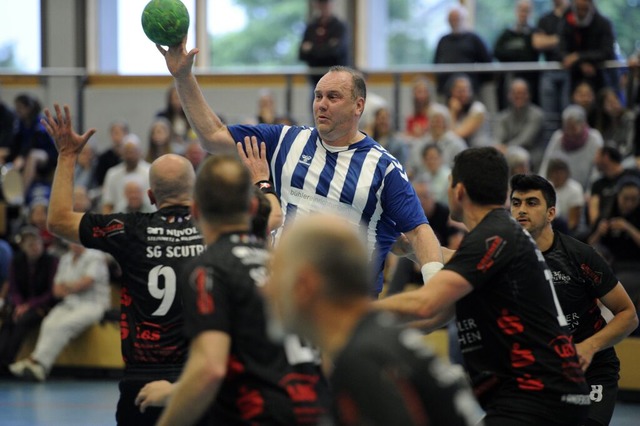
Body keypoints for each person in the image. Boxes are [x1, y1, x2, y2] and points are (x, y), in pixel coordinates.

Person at [157, 39, 443, 296]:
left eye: (333, 97)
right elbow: (213, 136)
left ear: (358, 106)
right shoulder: (284, 140)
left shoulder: (383, 168)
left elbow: (418, 233)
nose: (321, 104)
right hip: (286, 301)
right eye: (318, 96)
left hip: (347, 310)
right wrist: (183, 76)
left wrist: (436, 291)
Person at [375, 147, 591, 426]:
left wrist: (347, 310)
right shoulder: (496, 235)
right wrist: (408, 247)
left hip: (538, 396)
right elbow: (435, 316)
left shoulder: (493, 237)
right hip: (541, 395)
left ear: (459, 191)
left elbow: (426, 303)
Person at [42, 104, 204, 425]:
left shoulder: (128, 229)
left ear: (151, 195)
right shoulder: (216, 231)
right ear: (194, 193)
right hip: (199, 377)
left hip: (141, 380)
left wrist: (67, 156)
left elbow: (58, 221)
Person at [138, 154, 329, 426]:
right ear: (252, 207)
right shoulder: (287, 267)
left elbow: (210, 369)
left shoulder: (209, 268)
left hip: (260, 414)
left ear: (195, 211)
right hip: (317, 412)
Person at [264, 213, 482, 426]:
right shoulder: (375, 338)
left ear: (305, 285)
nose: (268, 290)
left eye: (277, 274)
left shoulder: (363, 359)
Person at [510, 173, 638, 426]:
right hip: (542, 372)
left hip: (591, 371)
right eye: (516, 203)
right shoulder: (504, 254)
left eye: (532, 202)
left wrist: (589, 346)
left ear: (551, 213)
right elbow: (455, 257)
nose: (522, 210)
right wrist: (413, 244)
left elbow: (628, 315)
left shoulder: (580, 255)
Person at [9, 242, 111, 381]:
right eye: (71, 241)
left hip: (93, 305)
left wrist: (68, 286)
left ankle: (40, 365)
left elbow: (86, 283)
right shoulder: (65, 259)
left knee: (63, 326)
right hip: (69, 303)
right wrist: (74, 285)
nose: (74, 244)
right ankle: (35, 362)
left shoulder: (96, 256)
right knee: (48, 323)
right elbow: (56, 291)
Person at [0, 226, 58, 371]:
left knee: (23, 320)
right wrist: (19, 305)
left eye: (36, 242)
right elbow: (14, 287)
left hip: (43, 305)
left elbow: (51, 292)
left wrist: (29, 305)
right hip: (21, 304)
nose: (34, 246)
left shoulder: (51, 261)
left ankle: (7, 361)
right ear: (23, 246)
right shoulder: (17, 261)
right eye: (29, 243)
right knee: (9, 320)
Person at [587, 175, 640, 312]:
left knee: (614, 287)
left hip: (633, 266)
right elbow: (589, 245)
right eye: (625, 199)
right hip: (610, 264)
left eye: (634, 199)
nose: (629, 203)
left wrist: (628, 228)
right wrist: (599, 231)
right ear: (618, 196)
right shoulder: (607, 212)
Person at [539, 104, 603, 190]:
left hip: (586, 189)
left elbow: (597, 169)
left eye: (573, 128)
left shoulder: (594, 137)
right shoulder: (558, 136)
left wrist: (591, 191)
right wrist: (540, 187)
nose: (570, 132)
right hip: (560, 189)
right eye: (567, 127)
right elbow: (546, 164)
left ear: (583, 124)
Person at [433, 5, 492, 97]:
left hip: (471, 87)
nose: (455, 22)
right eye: (452, 19)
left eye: (457, 19)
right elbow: (436, 64)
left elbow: (487, 62)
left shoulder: (474, 39)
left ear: (464, 19)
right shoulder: (443, 41)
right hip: (447, 88)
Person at [560, 0, 616, 94]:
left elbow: (607, 52)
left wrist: (578, 57)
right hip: (575, 78)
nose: (581, 13)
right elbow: (560, 51)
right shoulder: (567, 23)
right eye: (578, 9)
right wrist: (580, 64)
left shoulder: (604, 23)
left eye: (584, 9)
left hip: (600, 76)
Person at [493, 0, 539, 109]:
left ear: (531, 13)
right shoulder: (507, 33)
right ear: (516, 11)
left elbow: (530, 56)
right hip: (509, 77)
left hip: (530, 78)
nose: (523, 14)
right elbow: (497, 52)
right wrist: (519, 53)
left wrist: (512, 53)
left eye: (526, 11)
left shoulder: (535, 32)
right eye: (521, 10)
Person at [494, 78, 545, 170]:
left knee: (518, 158)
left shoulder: (537, 115)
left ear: (528, 95)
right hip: (508, 154)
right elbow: (497, 138)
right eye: (515, 93)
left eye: (522, 93)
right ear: (509, 95)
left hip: (531, 155)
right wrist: (498, 147)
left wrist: (506, 148)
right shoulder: (503, 116)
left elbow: (525, 140)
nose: (518, 96)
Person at [534, 0, 571, 125]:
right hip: (550, 70)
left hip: (570, 71)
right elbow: (538, 43)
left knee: (569, 114)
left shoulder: (574, 17)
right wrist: (561, 39)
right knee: (549, 118)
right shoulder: (545, 19)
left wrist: (549, 40)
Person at [298, 0, 350, 89]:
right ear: (317, 5)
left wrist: (312, 48)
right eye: (321, 3)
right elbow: (301, 54)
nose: (324, 6)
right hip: (315, 78)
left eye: (326, 3)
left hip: (337, 77)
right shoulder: (311, 27)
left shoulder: (339, 27)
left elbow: (336, 52)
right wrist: (327, 46)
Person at [101, 133, 153, 214]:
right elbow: (108, 203)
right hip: (119, 218)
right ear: (122, 152)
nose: (130, 155)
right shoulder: (112, 174)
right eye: (127, 151)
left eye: (133, 151)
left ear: (140, 152)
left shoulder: (150, 172)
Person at [447, 74, 489, 147]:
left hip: (479, 150)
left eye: (466, 90)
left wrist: (453, 112)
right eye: (459, 90)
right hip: (462, 150)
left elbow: (456, 135)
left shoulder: (478, 109)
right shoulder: (452, 109)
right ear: (451, 91)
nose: (463, 94)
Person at [94, 120, 128, 187]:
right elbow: (100, 180)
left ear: (126, 134)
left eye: (120, 132)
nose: (117, 136)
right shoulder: (104, 158)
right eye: (115, 133)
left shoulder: (131, 156)